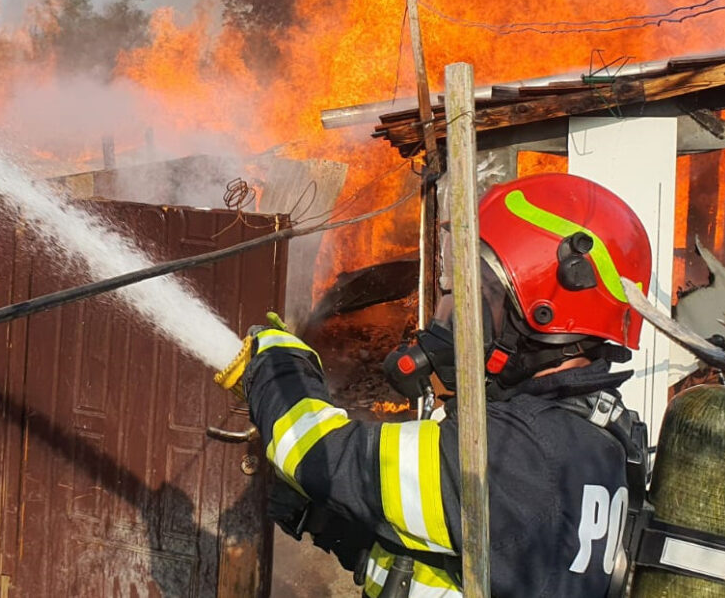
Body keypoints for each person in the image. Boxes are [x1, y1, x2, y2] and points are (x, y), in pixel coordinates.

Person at [218, 173, 655, 598]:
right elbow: (466, 564)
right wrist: (335, 525)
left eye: (481, 295)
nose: (455, 315)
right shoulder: (591, 441)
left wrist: (277, 366)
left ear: (541, 314)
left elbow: (319, 452)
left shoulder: (514, 451)